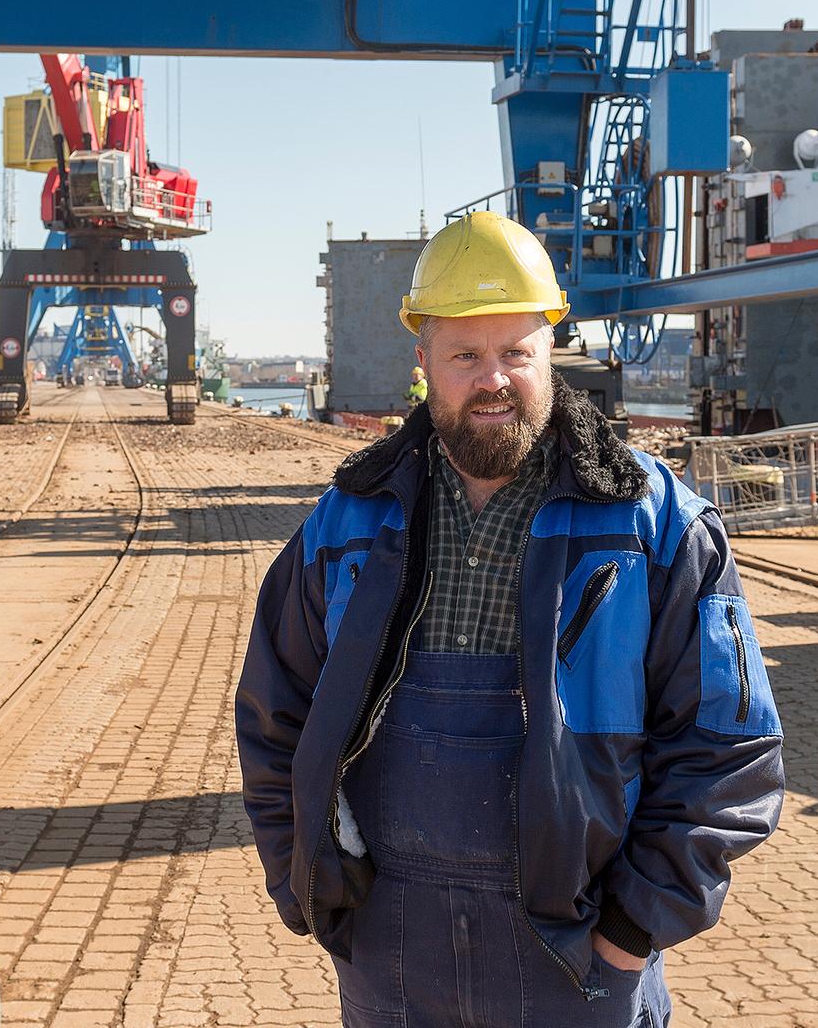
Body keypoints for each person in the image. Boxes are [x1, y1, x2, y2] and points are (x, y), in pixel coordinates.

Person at [237, 211, 784, 1027]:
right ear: (422, 360)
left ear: (550, 354)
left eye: (515, 353)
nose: (493, 379)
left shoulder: (654, 526)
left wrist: (633, 932)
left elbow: (729, 750)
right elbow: (272, 718)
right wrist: (307, 881)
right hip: (389, 961)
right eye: (464, 355)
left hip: (582, 964)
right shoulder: (346, 525)